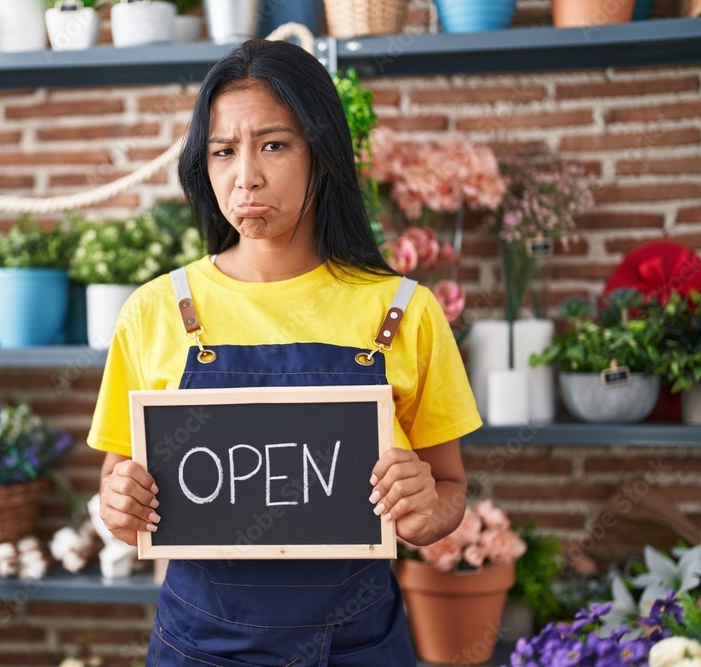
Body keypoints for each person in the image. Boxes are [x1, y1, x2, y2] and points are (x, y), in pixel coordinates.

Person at [88, 38, 482, 665]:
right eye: (223, 151)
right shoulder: (156, 310)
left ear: (320, 153)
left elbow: (450, 488)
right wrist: (116, 505)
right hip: (199, 647)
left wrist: (428, 510)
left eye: (274, 144)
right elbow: (118, 486)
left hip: (358, 646)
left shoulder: (403, 311)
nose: (246, 175)